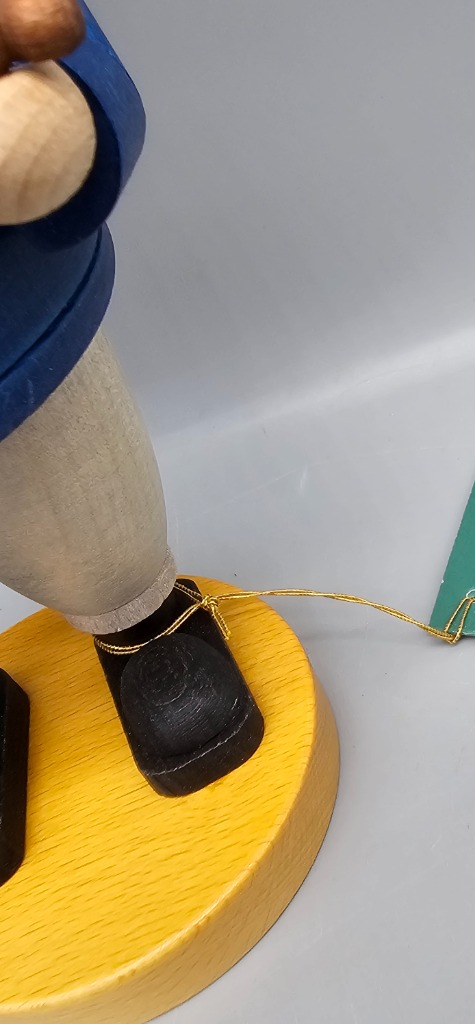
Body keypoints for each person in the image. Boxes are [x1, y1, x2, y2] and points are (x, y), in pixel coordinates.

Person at [0, 0, 262, 888]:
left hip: (11, 340)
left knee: (83, 515)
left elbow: (58, 44)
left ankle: (143, 628)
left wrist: (58, 118)